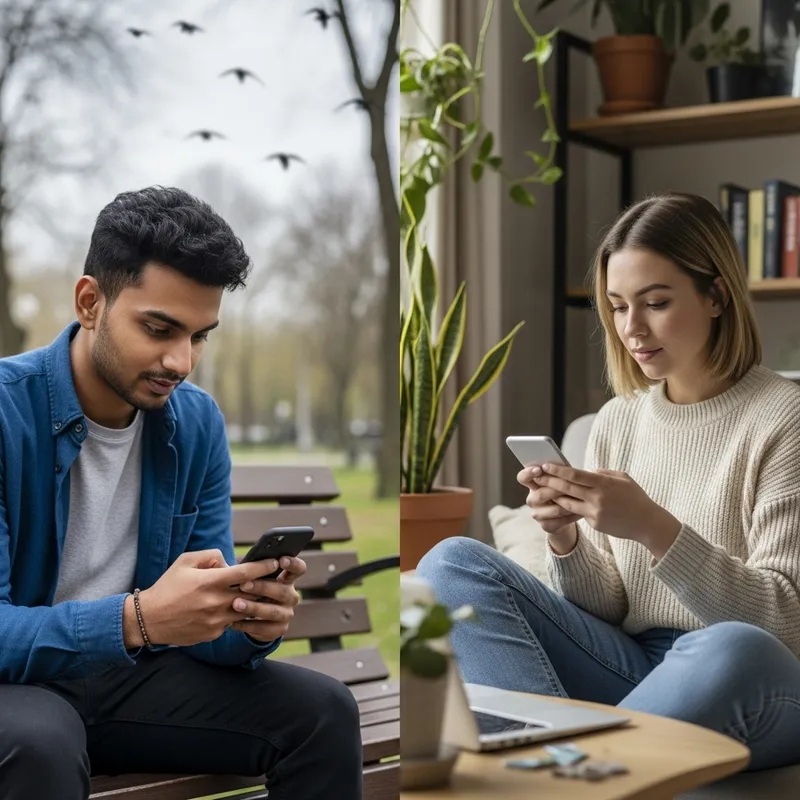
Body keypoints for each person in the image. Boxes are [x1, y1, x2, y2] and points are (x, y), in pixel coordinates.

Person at [417, 192, 800, 772]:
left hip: (747, 676)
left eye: (656, 303)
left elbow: (785, 622)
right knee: (452, 563)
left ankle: (560, 771)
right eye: (618, 307)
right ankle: (557, 770)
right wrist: (566, 538)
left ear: (717, 296)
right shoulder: (618, 420)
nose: (632, 329)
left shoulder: (784, 418)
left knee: (731, 646)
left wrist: (652, 526)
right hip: (633, 667)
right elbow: (610, 606)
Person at [0, 186, 362, 800]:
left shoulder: (195, 424)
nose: (181, 361)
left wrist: (250, 622)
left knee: (324, 712)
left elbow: (204, 629)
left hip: (128, 681)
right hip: (18, 691)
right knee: (40, 742)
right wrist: (138, 620)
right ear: (90, 302)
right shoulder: (9, 412)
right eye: (159, 328)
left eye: (199, 336)